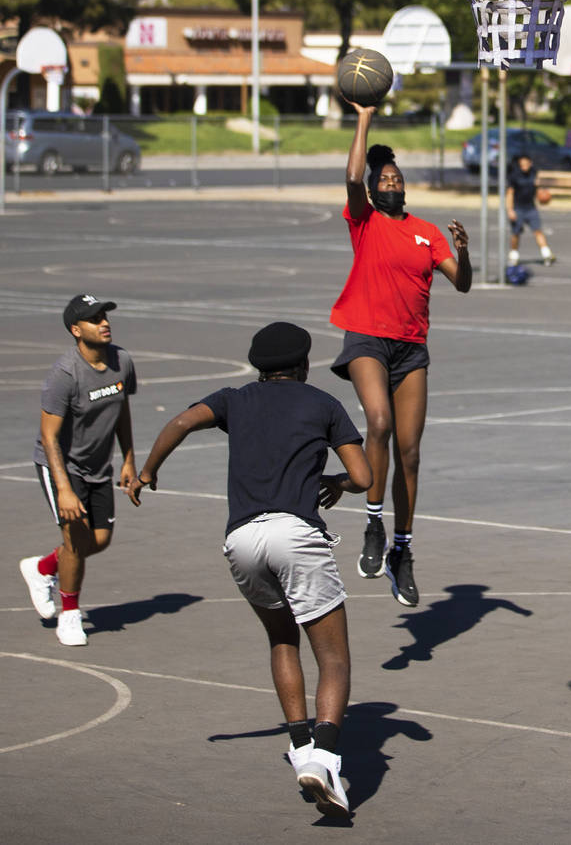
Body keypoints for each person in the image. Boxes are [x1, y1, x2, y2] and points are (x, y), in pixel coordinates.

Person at [131, 322, 372, 820]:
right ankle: (325, 758)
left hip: (240, 540)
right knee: (334, 657)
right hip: (295, 534)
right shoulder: (323, 403)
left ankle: (301, 748)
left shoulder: (232, 398)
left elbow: (179, 421)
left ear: (258, 367)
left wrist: (149, 470)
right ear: (305, 365)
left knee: (281, 640)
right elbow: (366, 476)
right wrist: (339, 482)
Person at [332, 101, 472, 609]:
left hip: (412, 348)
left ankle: (402, 551)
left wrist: (465, 251)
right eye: (383, 177)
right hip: (367, 337)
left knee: (410, 454)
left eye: (396, 176)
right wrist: (363, 116)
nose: (391, 181)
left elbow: (462, 285)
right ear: (373, 189)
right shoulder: (364, 220)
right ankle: (372, 525)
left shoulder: (427, 232)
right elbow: (351, 175)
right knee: (379, 421)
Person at [20, 294, 139, 647]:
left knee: (98, 541)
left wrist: (129, 459)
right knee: (75, 538)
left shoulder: (123, 361)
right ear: (76, 329)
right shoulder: (64, 374)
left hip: (97, 465)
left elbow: (122, 411)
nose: (104, 323)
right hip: (60, 464)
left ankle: (43, 568)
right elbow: (49, 434)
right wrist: (64, 489)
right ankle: (69, 615)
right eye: (94, 319)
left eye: (105, 316)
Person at [506, 152, 556, 267]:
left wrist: (542, 196)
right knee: (516, 233)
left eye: (526, 163)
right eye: (521, 164)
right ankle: (513, 255)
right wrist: (510, 210)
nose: (524, 166)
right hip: (518, 208)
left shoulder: (534, 173)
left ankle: (546, 254)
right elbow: (510, 194)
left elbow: (537, 189)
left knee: (537, 230)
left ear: (530, 163)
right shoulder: (514, 176)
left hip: (531, 208)